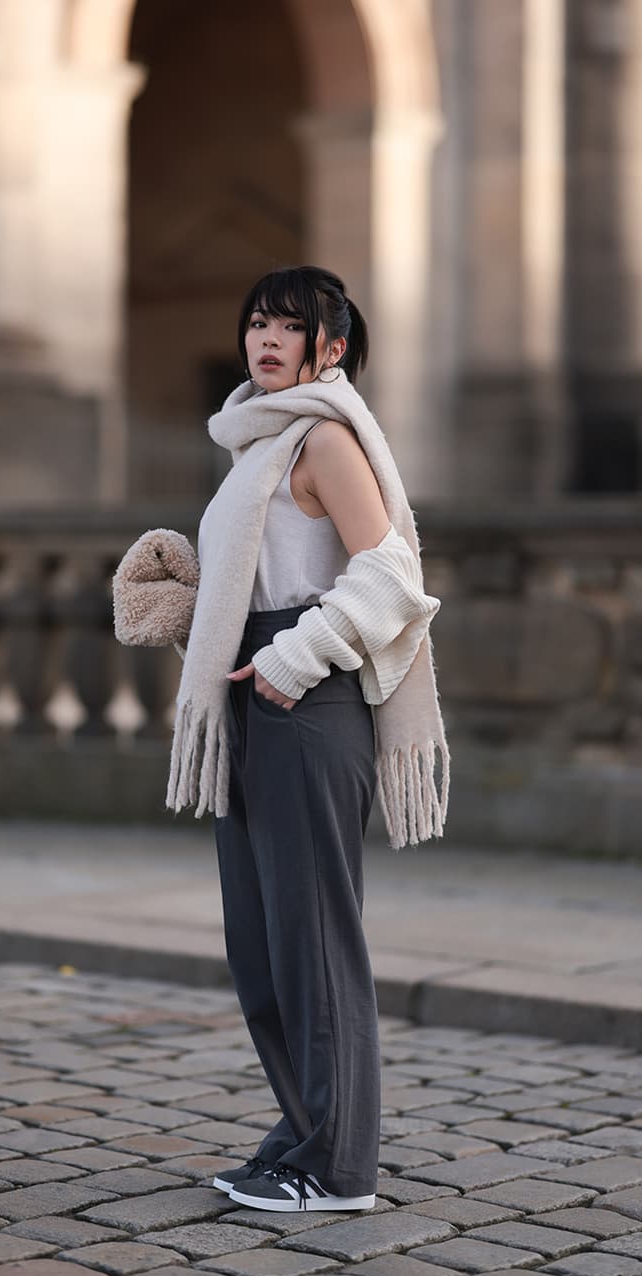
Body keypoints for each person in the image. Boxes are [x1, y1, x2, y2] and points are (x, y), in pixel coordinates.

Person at [165, 265, 449, 1213]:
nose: (266, 337)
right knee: (262, 947)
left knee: (315, 940)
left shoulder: (325, 438)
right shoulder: (259, 445)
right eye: (255, 321)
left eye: (290, 325)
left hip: (305, 702)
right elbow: (267, 574)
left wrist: (295, 657)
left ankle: (337, 1168)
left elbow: (391, 578)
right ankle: (304, 1128)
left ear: (332, 347)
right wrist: (190, 604)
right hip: (253, 695)